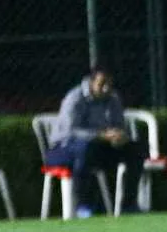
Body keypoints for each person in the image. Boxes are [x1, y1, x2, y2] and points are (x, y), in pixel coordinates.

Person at [45, 67, 146, 217]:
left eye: (109, 84)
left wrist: (120, 136)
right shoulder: (74, 98)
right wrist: (101, 135)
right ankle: (83, 206)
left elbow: (119, 125)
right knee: (85, 148)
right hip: (62, 149)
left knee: (135, 150)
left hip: (97, 146)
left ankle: (128, 205)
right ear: (91, 82)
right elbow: (70, 131)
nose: (106, 88)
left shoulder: (113, 98)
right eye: (102, 83)